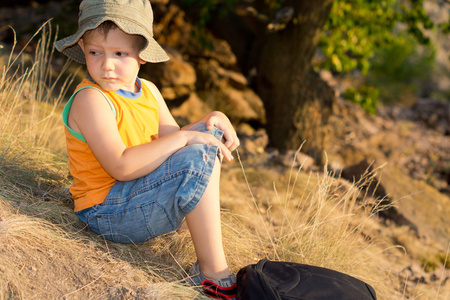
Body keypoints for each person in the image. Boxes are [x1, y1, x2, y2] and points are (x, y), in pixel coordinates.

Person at [54, 0, 240, 298]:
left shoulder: (149, 91)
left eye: (120, 53)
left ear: (141, 56)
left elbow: (172, 138)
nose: (106, 64)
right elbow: (122, 166)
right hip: (106, 211)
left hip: (136, 195)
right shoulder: (91, 99)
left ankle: (191, 224)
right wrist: (184, 139)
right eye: (94, 53)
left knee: (207, 136)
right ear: (82, 47)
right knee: (193, 152)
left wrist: (211, 120)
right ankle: (215, 277)